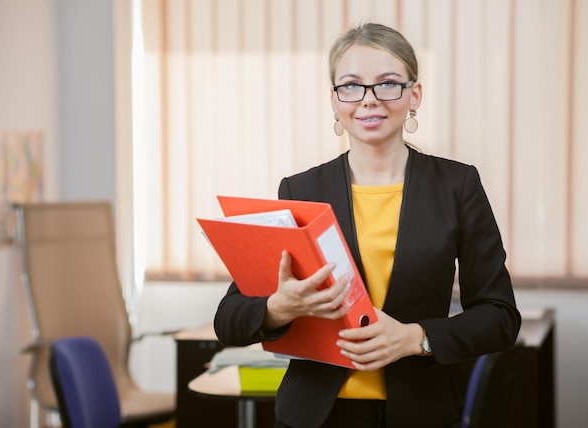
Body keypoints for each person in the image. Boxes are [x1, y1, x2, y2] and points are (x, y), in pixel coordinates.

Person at [213, 22, 521, 428]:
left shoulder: (457, 185)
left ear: (415, 94)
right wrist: (277, 308)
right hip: (313, 416)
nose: (369, 100)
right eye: (352, 86)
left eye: (388, 84)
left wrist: (416, 338)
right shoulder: (301, 188)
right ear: (334, 99)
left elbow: (500, 317)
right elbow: (228, 320)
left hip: (417, 413)